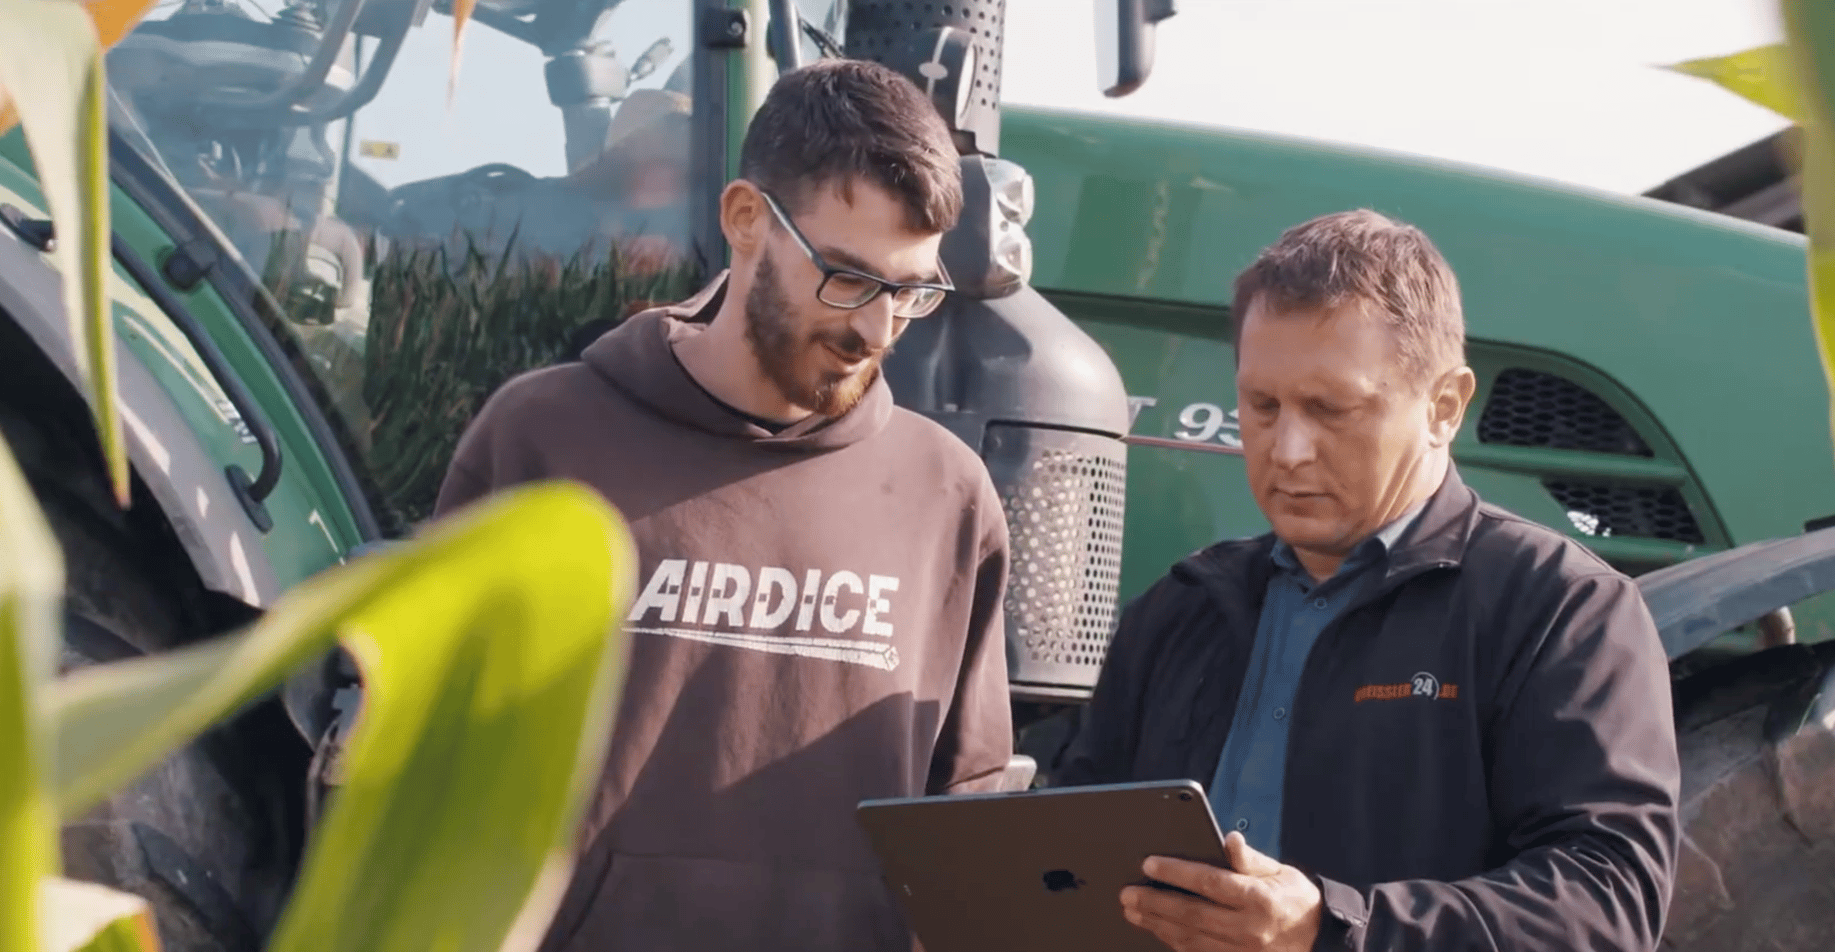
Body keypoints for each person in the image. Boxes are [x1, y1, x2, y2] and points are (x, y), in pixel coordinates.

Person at [433, 58, 1015, 952]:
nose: (876, 329)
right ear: (746, 219)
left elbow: (966, 817)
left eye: (911, 293)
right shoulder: (542, 439)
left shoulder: (948, 496)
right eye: (849, 277)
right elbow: (424, 774)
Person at [1054, 209, 1680, 952]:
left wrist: (1331, 928)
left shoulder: (1560, 610)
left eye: (1330, 409)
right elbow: (1068, 850)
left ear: (1445, 407)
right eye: (1262, 406)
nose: (1286, 450)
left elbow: (1609, 902)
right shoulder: (1180, 609)